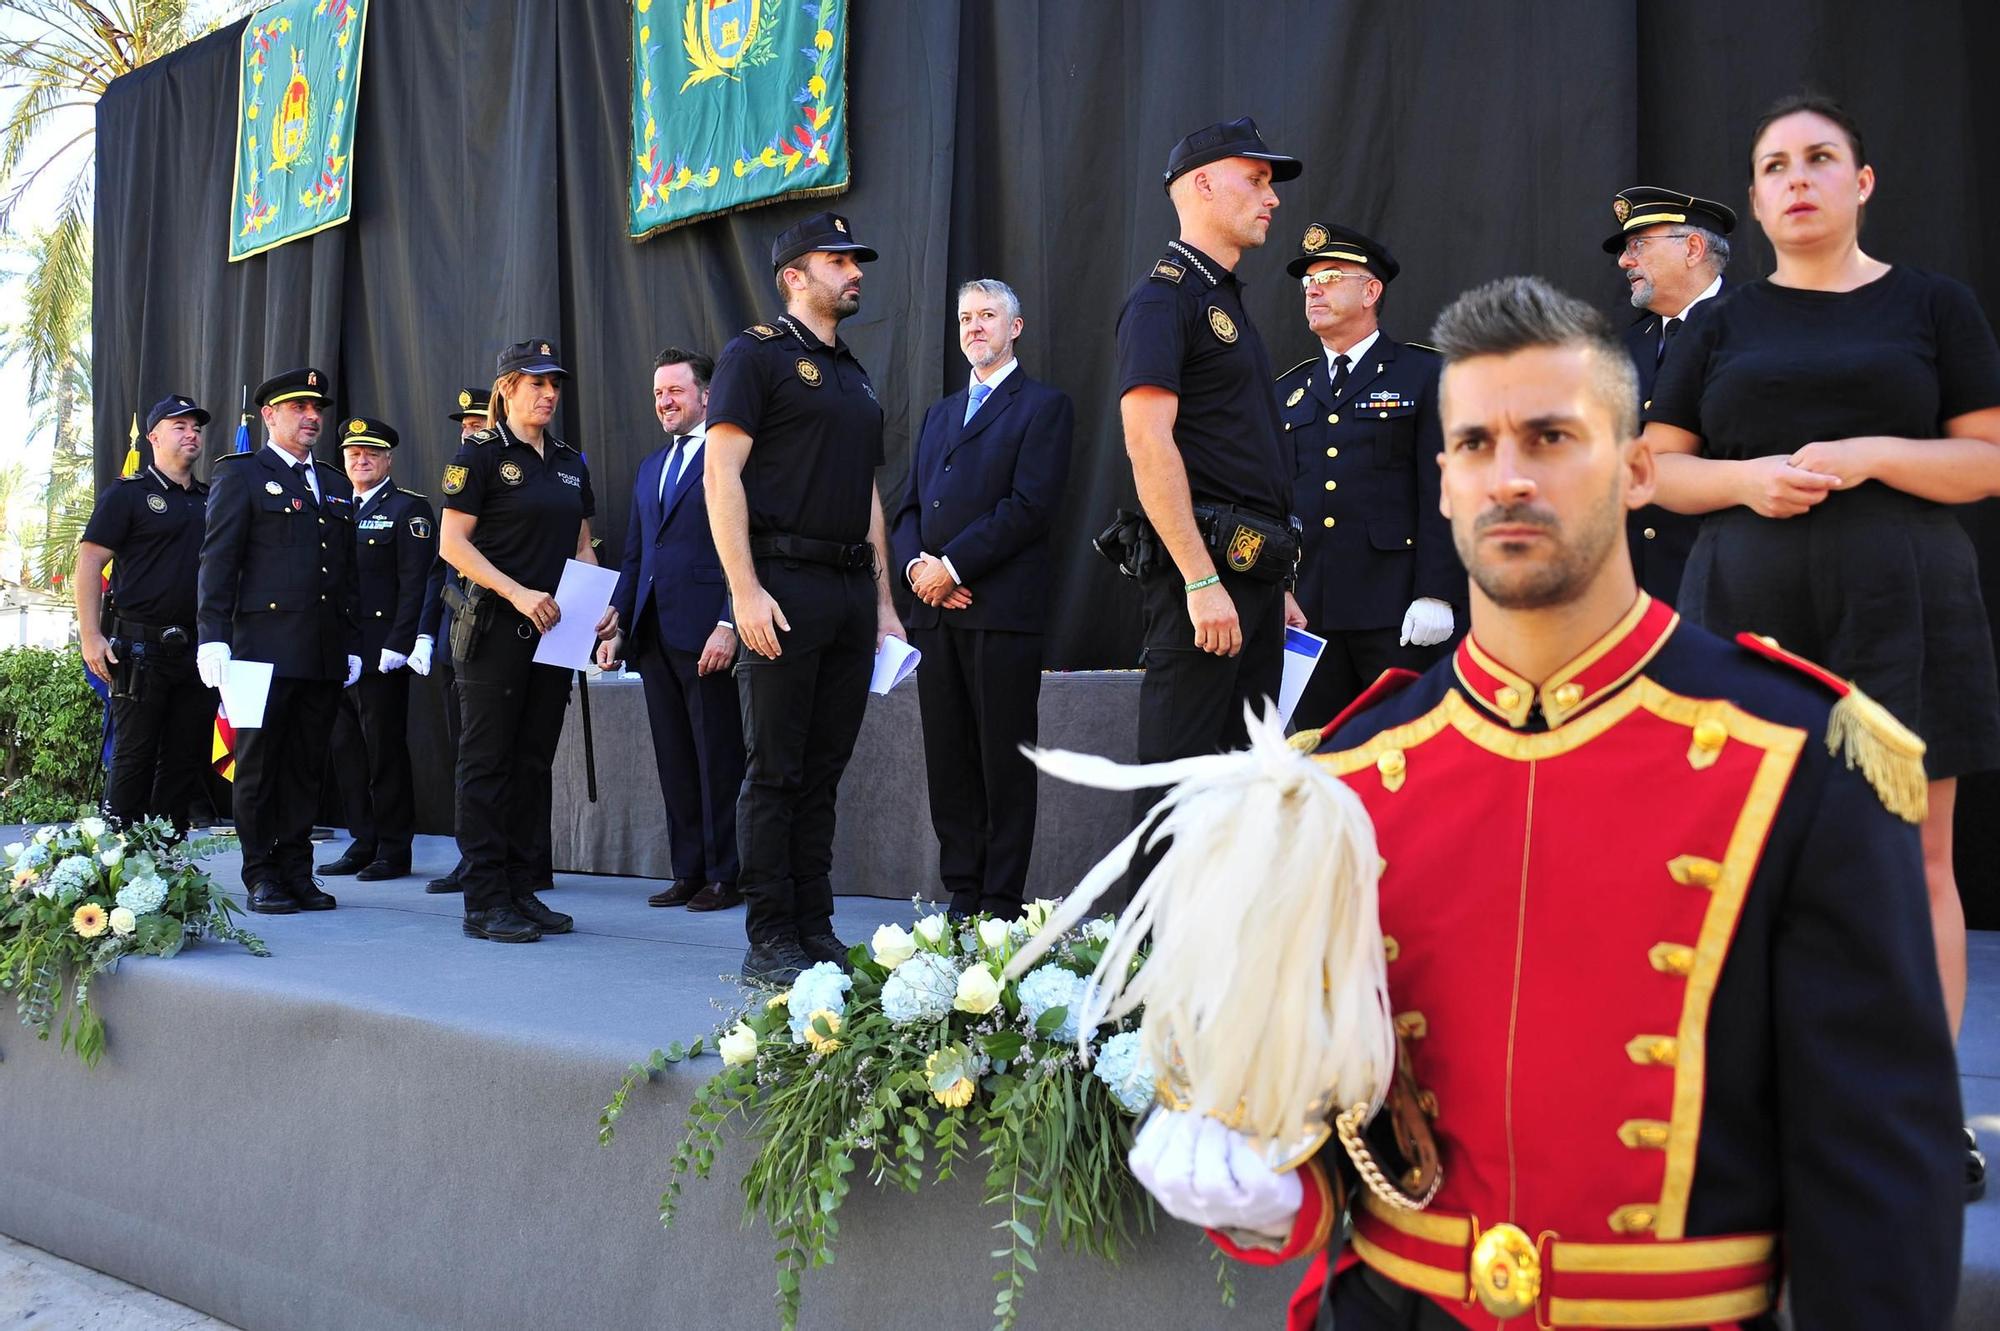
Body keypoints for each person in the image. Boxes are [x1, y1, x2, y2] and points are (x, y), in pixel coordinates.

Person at [1133, 276, 1964, 1330]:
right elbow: (1341, 1124)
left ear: (1633, 470)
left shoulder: (1797, 756)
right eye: (1475, 444)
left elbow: (1878, 1186)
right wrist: (1263, 1178)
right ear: (1440, 482)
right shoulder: (1343, 773)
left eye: (1549, 437)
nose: (1507, 476)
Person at [1642, 98, 2000, 1154]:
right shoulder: (1718, 321)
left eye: (1819, 159)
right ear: (1753, 200)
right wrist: (1748, 477)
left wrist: (1872, 453)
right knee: (1741, 856)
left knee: (1915, 858)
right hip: (1749, 612)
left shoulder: (1933, 305)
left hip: (1906, 605)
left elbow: (1984, 458)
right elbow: (1653, 470)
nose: (1796, 178)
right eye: (1774, 166)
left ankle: (1920, 1105)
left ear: (1861, 181)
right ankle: (1757, 1097)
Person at [704, 211, 904, 984]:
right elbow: (721, 477)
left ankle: (814, 924)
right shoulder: (754, 357)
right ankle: (770, 937)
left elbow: (869, 495)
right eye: (838, 259)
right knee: (776, 769)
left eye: (857, 259)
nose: (855, 271)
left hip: (851, 590)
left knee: (823, 771)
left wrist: (884, 604)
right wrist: (743, 591)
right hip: (782, 585)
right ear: (795, 275)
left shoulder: (853, 372)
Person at [1117, 118, 1301, 770]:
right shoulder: (1164, 301)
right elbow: (1148, 444)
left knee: (1240, 796)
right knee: (1182, 796)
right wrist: (1200, 579)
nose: (1271, 198)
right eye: (1255, 180)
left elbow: (1239, 458)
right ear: (1202, 184)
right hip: (1203, 578)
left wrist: (1273, 584)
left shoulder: (1223, 300)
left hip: (1250, 576)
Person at [890, 278, 1074, 919]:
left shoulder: (1043, 407)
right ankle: (962, 891)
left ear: (1015, 327)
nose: (974, 327)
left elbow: (1028, 508)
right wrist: (920, 568)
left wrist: (953, 565)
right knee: (949, 759)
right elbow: (910, 505)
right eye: (966, 317)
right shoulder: (940, 413)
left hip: (1001, 614)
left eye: (988, 316)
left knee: (1001, 761)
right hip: (936, 615)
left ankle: (1000, 900)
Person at [439, 341, 607, 943]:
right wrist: (517, 593)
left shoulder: (567, 460)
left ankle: (519, 887)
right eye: (535, 383)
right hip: (495, 628)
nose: (548, 393)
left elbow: (582, 544)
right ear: (506, 388)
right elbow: (453, 545)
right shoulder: (479, 455)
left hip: (555, 634)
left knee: (532, 763)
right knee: (487, 762)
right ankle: (484, 898)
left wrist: (596, 606)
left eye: (554, 383)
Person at [1275, 223, 1456, 728]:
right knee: (1320, 759)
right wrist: (1277, 589)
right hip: (1309, 613)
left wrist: (1437, 591)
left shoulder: (1425, 376)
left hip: (1396, 610)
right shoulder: (1288, 390)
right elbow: (1275, 501)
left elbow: (1447, 490)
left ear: (1371, 291)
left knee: (1404, 759)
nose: (1314, 289)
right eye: (1307, 281)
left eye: (1330, 276)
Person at [195, 368, 360, 915]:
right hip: (256, 649)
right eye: (298, 408)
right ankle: (261, 872)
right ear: (269, 416)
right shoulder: (241, 475)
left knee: (306, 766)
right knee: (260, 766)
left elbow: (346, 573)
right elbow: (218, 560)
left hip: (319, 648)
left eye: (317, 409)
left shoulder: (335, 483)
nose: (312, 417)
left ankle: (297, 869)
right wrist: (212, 638)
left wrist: (351, 641)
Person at [598, 348, 745, 911]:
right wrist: (618, 624)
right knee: (676, 759)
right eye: (658, 393)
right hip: (654, 635)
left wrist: (729, 620)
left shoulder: (731, 455)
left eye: (676, 391)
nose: (665, 401)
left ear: (706, 395)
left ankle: (726, 875)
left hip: (709, 631)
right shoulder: (650, 466)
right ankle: (687, 870)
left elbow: (748, 545)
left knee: (718, 755)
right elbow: (638, 555)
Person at [75, 394, 215, 830]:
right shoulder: (129, 494)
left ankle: (164, 866)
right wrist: (90, 635)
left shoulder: (212, 499)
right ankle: (118, 865)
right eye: (179, 426)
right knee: (133, 756)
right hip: (139, 649)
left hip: (196, 649)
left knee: (183, 758)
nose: (191, 433)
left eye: (196, 427)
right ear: (153, 436)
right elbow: (90, 562)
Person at [1603, 185, 1735, 604]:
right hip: (1635, 595)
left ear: (1693, 247)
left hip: (1723, 583)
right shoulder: (1622, 347)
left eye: (1638, 244)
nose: (1626, 260)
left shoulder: (1758, 328)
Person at [321, 417, 434, 882]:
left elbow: (417, 584)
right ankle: (362, 840)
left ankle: (393, 848)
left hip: (382, 653)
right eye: (353, 453)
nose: (361, 460)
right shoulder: (331, 507)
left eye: (371, 453)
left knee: (383, 752)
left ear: (388, 459)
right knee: (347, 752)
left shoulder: (409, 509)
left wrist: (400, 643)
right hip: (336, 654)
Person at [418, 387, 491, 896]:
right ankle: (472, 857)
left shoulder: (502, 478)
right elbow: (438, 572)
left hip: (495, 630)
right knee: (462, 752)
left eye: (477, 421)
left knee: (487, 754)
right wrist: (425, 634)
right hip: (454, 632)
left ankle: (502, 861)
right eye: (462, 424)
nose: (468, 430)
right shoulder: (460, 485)